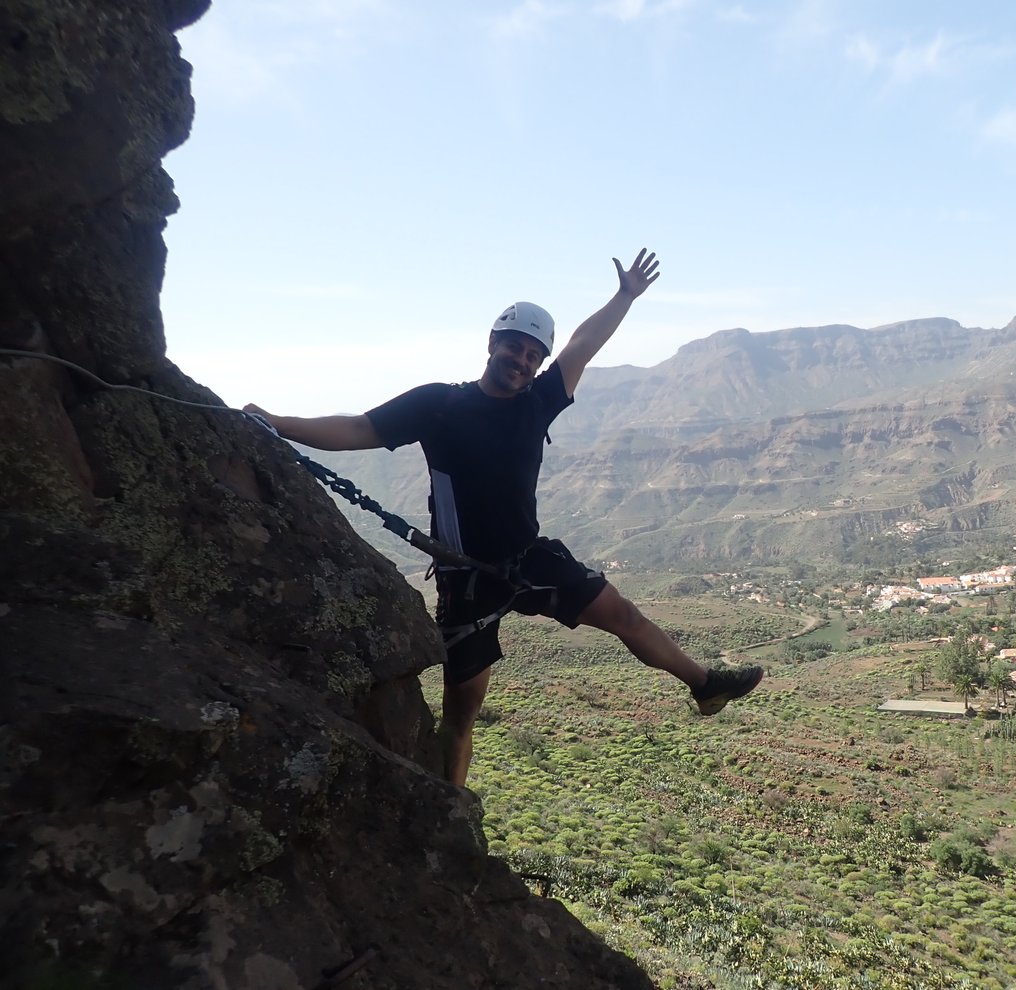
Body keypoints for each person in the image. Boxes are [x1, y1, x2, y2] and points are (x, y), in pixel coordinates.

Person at [246, 249, 763, 787]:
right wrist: (279, 423)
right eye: (514, 347)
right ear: (492, 344)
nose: (522, 360)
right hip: (466, 575)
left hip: (527, 557)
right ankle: (452, 805)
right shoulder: (439, 405)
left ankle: (704, 685)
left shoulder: (538, 400)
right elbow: (359, 429)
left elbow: (582, 347)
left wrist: (625, 297)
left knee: (623, 616)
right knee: (462, 710)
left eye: (533, 354)